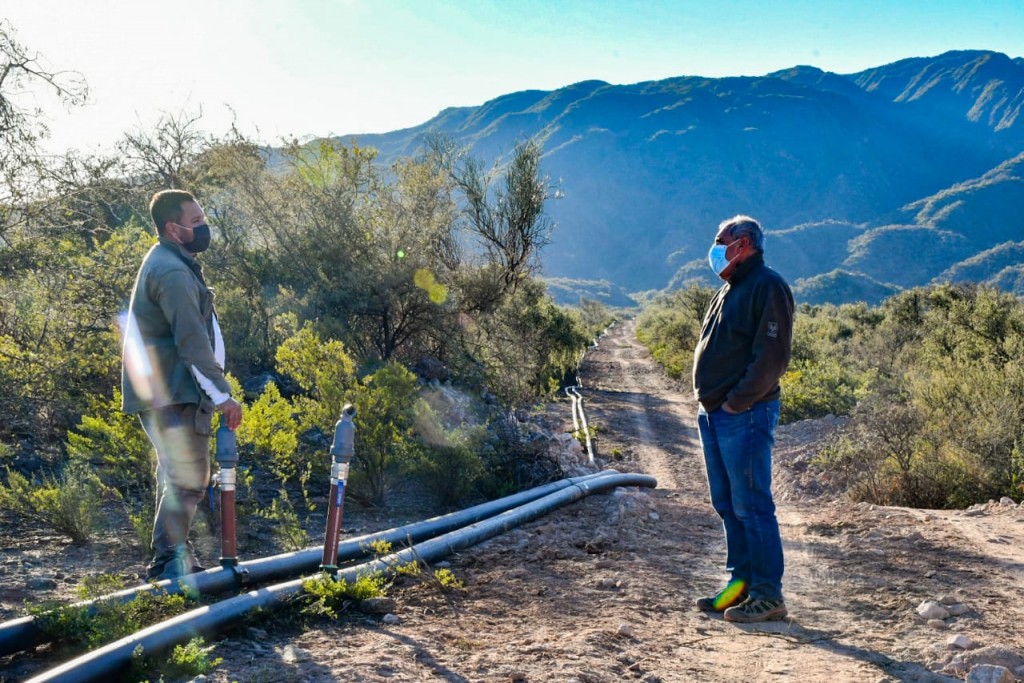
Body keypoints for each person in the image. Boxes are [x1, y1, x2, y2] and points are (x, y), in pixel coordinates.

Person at [121, 189, 243, 581]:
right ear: (174, 229)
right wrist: (222, 396)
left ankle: (174, 558)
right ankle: (167, 563)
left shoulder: (171, 261)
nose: (204, 227)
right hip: (173, 392)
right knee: (187, 477)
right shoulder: (172, 272)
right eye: (196, 222)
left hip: (168, 391)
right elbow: (191, 341)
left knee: (176, 477)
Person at [692, 215, 793, 623]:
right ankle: (740, 587)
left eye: (721, 242)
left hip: (745, 413)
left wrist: (737, 402)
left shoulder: (767, 286)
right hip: (716, 414)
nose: (715, 249)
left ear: (744, 244)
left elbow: (772, 357)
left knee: (751, 504)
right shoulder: (728, 289)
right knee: (728, 505)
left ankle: (768, 595)